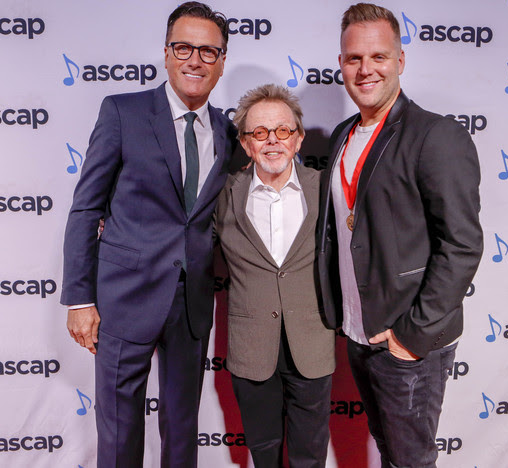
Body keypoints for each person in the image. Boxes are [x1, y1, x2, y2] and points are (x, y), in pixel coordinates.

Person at [60, 2, 243, 466]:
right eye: (183, 47)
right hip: (123, 298)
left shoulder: (228, 130)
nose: (194, 60)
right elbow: (86, 207)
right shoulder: (122, 111)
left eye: (208, 51)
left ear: (222, 63)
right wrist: (80, 299)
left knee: (183, 431)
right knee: (120, 433)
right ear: (165, 54)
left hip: (193, 303)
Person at [317, 3, 483, 467]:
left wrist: (411, 335)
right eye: (354, 58)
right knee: (391, 454)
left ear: (400, 61)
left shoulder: (435, 135)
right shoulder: (343, 134)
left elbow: (462, 244)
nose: (365, 69)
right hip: (358, 330)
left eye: (378, 57)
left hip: (409, 337)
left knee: (410, 460)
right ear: (341, 65)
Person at [215, 84, 335, 468]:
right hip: (252, 348)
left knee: (309, 457)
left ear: (298, 139)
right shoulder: (223, 196)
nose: (272, 141)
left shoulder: (326, 191)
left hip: (312, 344)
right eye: (259, 133)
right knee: (264, 454)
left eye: (282, 130)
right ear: (246, 143)